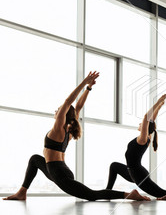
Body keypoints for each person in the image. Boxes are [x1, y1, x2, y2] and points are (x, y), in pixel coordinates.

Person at [3, 72, 149, 201]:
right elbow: (77, 107)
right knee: (34, 159)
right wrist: (88, 89)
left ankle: (128, 194)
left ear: (63, 114)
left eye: (59, 110)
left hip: (59, 174)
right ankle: (22, 192)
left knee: (92, 195)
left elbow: (69, 102)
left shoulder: (58, 130)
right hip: (56, 170)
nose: (56, 110)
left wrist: (84, 82)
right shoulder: (69, 131)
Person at [106, 94, 166, 199]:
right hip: (131, 171)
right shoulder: (147, 137)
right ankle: (108, 192)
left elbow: (146, 118)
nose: (140, 124)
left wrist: (158, 102)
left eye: (141, 124)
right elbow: (151, 120)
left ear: (145, 127)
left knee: (159, 193)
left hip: (138, 174)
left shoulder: (143, 139)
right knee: (114, 166)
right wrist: (159, 107)